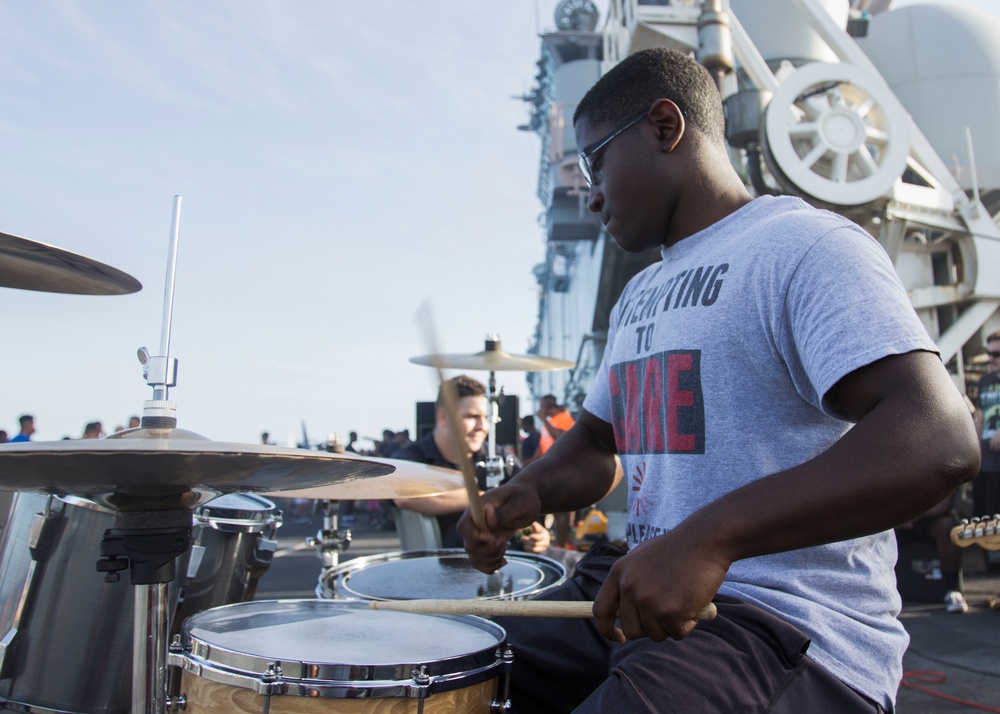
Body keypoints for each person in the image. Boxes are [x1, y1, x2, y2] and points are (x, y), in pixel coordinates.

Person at [458, 48, 980, 714]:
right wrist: (521, 494)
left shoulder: (804, 246)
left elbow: (938, 439)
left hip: (782, 625)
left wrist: (710, 538)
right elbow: (595, 445)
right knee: (464, 663)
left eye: (594, 163)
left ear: (665, 126)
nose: (589, 195)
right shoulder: (638, 294)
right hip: (643, 595)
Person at [394, 375, 550, 552]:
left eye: (486, 417)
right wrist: (485, 498)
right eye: (472, 416)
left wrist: (537, 535)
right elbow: (404, 495)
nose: (482, 426)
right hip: (442, 569)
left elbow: (528, 507)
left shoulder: (501, 457)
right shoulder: (412, 457)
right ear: (444, 417)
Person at [537, 395, 578, 548]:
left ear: (547, 407)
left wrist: (544, 420)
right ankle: (562, 542)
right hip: (550, 469)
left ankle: (565, 543)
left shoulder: (563, 418)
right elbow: (543, 446)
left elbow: (562, 438)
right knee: (556, 509)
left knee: (562, 509)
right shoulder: (549, 422)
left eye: (541, 406)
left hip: (564, 469)